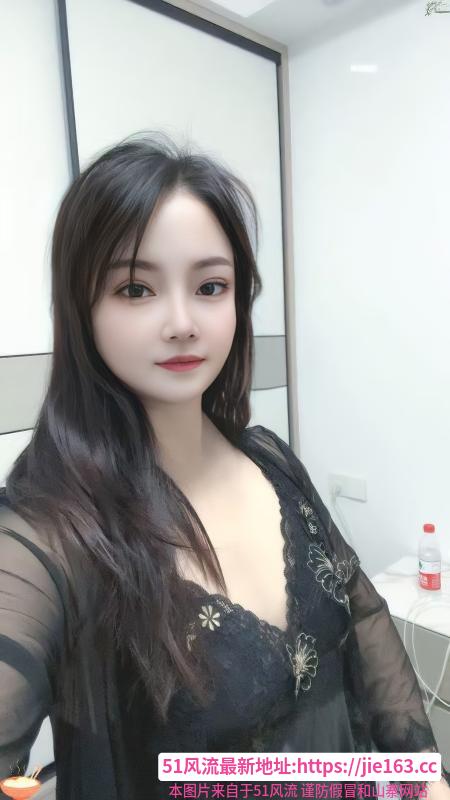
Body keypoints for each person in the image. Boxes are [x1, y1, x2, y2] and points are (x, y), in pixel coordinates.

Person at [0, 132, 449, 800]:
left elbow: (363, 618)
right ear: (81, 305)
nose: (182, 322)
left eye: (210, 286)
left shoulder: (271, 458)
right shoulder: (51, 530)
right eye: (135, 288)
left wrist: (422, 776)